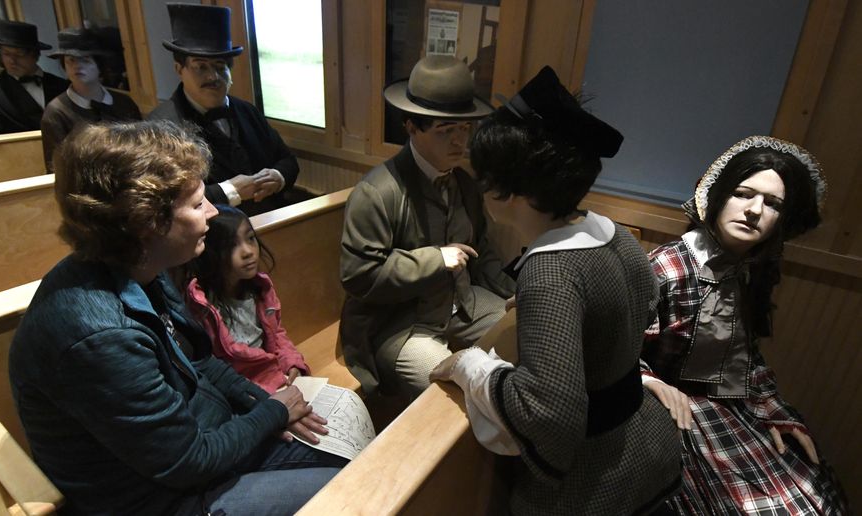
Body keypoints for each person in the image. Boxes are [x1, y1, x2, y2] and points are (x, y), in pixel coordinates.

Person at [8, 120, 345, 516]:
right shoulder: (98, 336)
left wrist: (268, 402)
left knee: (338, 452)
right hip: (158, 499)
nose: (213, 211)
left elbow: (201, 359)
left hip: (198, 445)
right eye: (198, 202)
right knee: (345, 488)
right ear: (148, 221)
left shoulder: (141, 268)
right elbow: (187, 463)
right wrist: (273, 413)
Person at [430, 66, 682, 515]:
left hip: (593, 480)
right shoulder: (614, 231)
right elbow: (635, 307)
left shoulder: (550, 272)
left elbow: (550, 412)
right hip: (648, 442)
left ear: (507, 194)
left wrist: (469, 364)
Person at [641, 136, 850, 514]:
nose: (754, 210)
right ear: (717, 195)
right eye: (742, 193)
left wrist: (775, 410)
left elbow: (744, 356)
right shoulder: (667, 267)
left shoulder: (748, 272)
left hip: (732, 406)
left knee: (812, 495)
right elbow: (617, 346)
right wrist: (650, 380)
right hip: (671, 415)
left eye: (772, 204)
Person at [339, 55, 515, 398]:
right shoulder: (377, 192)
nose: (459, 142)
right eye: (445, 131)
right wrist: (436, 259)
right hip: (401, 325)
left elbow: (483, 252)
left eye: (465, 129)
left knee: (522, 332)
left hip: (463, 303)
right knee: (457, 395)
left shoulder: (463, 183)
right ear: (411, 127)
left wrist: (516, 293)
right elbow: (358, 276)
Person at [149, 3, 300, 216]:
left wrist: (278, 176)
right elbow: (164, 203)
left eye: (220, 67)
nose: (213, 77)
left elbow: (288, 160)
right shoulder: (157, 129)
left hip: (270, 226)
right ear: (179, 69)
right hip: (210, 243)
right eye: (201, 67)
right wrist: (228, 191)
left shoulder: (248, 111)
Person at [186, 204, 309, 394]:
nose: (248, 251)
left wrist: (291, 362)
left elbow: (277, 334)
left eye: (250, 238)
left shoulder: (260, 289)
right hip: (242, 390)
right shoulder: (204, 306)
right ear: (210, 253)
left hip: (277, 378)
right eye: (232, 245)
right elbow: (217, 366)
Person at [41, 27, 142, 172]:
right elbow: (57, 169)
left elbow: (142, 151)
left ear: (100, 65)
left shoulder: (124, 103)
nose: (77, 66)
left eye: (85, 60)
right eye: (71, 60)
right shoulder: (56, 112)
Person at [0, 20, 68, 135]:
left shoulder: (62, 86)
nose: (12, 61)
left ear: (36, 55)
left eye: (19, 54)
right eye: (6, 53)